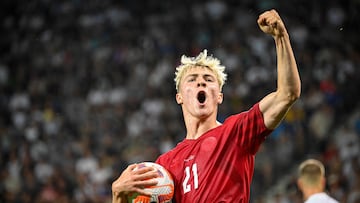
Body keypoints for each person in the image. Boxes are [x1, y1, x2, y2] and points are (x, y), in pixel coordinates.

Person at [112, 9, 301, 203]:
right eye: (192, 79)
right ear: (179, 97)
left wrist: (281, 38)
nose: (201, 83)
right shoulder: (165, 164)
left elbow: (288, 93)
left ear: (219, 96)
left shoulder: (235, 132)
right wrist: (118, 195)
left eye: (209, 79)